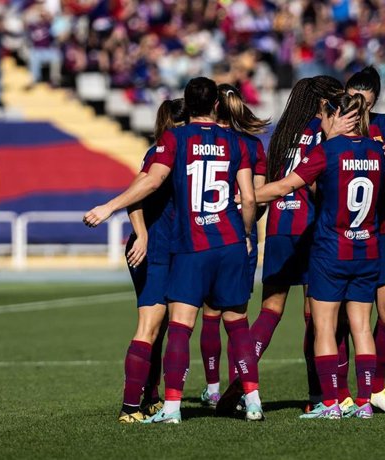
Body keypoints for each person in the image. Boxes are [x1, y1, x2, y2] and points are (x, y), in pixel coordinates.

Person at [83, 77, 263, 423]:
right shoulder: (230, 143)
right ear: (215, 106)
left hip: (188, 246)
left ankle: (164, 404)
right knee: (216, 324)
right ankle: (249, 403)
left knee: (175, 327)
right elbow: (250, 198)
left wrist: (110, 209)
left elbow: (148, 184)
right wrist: (245, 232)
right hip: (203, 244)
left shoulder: (176, 142)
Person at [254, 92, 385, 419]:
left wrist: (240, 198)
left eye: (323, 117)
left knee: (323, 328)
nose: (320, 123)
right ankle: (364, 403)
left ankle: (330, 403)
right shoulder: (378, 152)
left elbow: (282, 188)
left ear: (337, 116)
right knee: (362, 327)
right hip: (367, 249)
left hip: (330, 251)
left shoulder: (326, 151)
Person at [216, 75, 355, 414]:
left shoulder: (282, 133)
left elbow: (269, 186)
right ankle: (319, 395)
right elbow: (313, 182)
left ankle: (241, 380)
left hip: (279, 226)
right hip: (310, 228)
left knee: (270, 311)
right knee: (317, 317)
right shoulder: (322, 129)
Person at [199, 83, 269, 409]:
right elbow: (257, 197)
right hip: (241, 234)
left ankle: (213, 388)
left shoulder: (204, 140)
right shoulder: (253, 146)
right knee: (238, 317)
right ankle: (240, 393)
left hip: (206, 233)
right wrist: (246, 229)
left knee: (210, 315)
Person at [117, 98, 187, 423]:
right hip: (154, 248)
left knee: (164, 327)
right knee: (149, 325)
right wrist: (142, 234)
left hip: (177, 249)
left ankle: (152, 397)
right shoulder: (160, 152)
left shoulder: (189, 153)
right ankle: (130, 407)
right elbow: (137, 193)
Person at [341, 65, 385, 415]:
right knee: (340, 319)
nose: (357, 110)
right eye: (352, 101)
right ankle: (341, 392)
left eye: (364, 104)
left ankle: (377, 387)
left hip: (379, 231)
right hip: (343, 234)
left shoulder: (384, 126)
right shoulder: (335, 124)